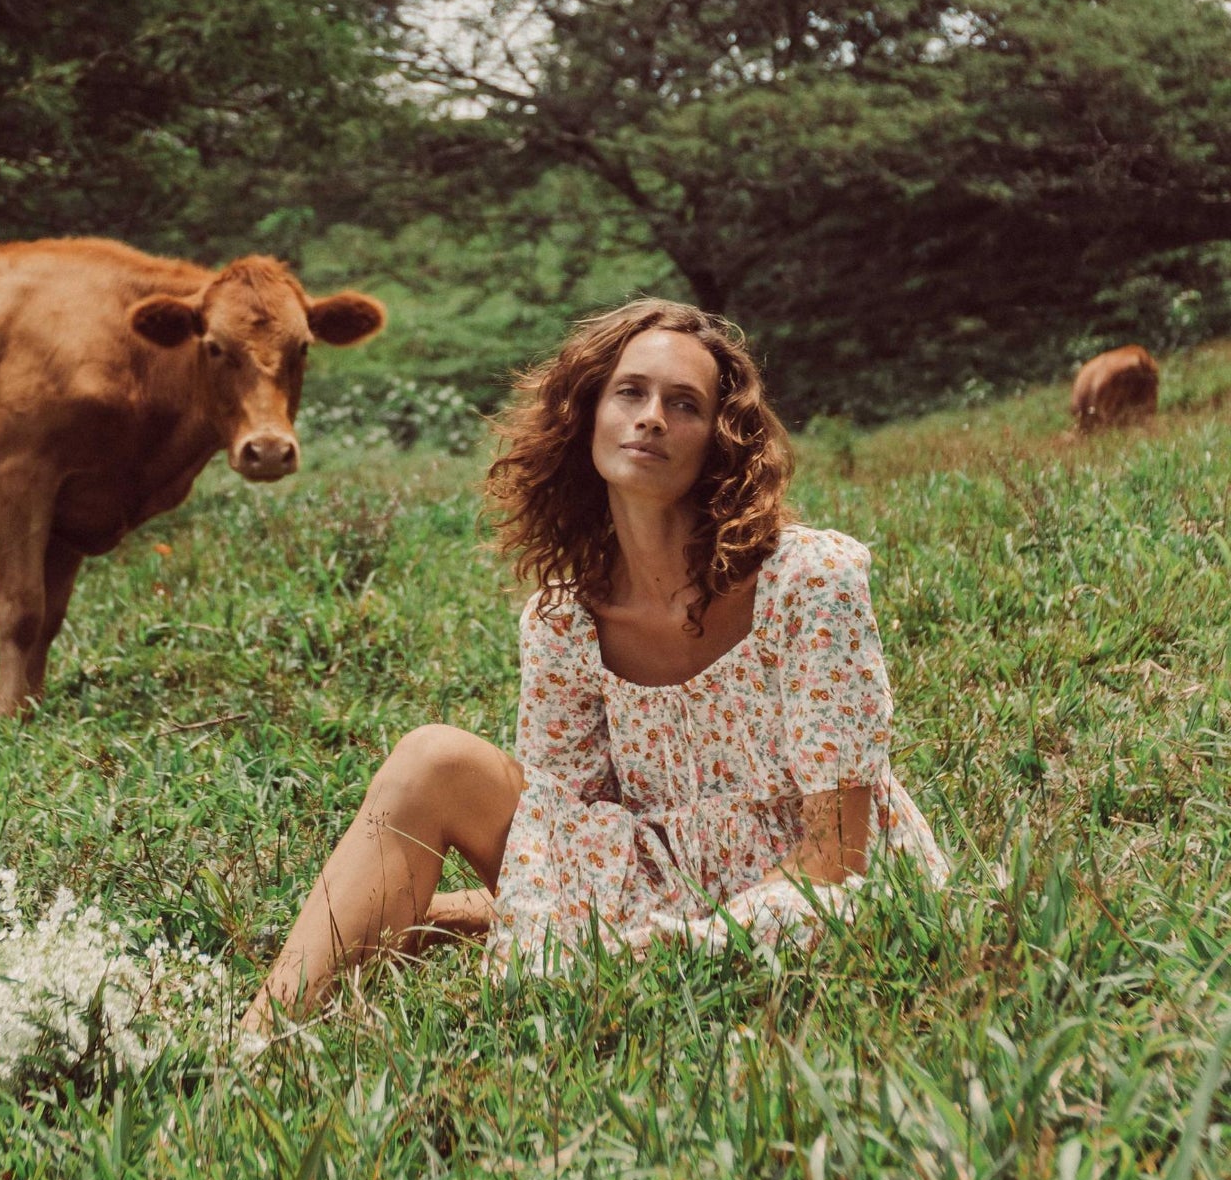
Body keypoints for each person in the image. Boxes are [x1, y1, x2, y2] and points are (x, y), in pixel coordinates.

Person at [241, 298, 947, 1037]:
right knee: (432, 759)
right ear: (588, 418)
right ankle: (255, 1042)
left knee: (799, 934)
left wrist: (667, 946)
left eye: (685, 405)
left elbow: (838, 853)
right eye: (631, 393)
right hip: (648, 881)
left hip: (813, 891)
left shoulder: (808, 579)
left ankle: (477, 931)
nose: (652, 419)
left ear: (719, 440)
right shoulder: (562, 620)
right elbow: (564, 836)